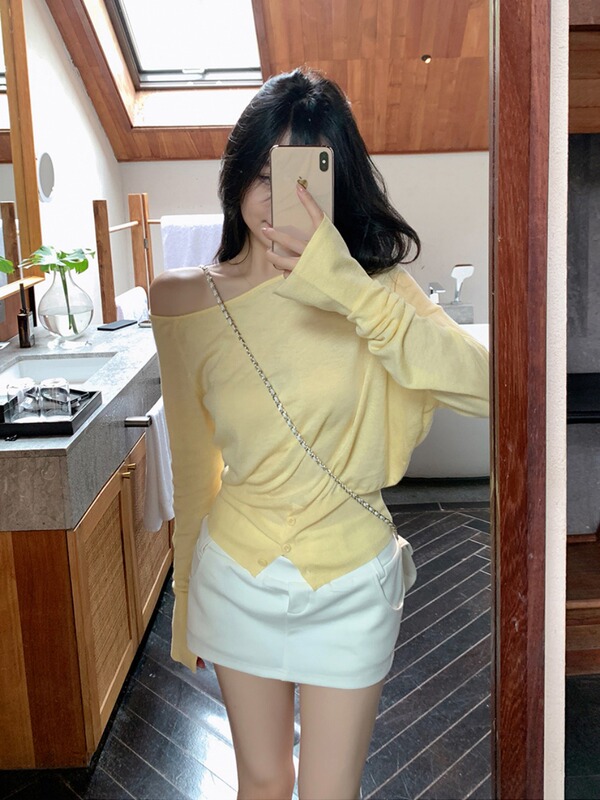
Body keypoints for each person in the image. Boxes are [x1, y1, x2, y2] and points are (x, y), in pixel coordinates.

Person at [150, 67, 489, 800]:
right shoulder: (181, 299)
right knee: (262, 781)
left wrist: (345, 289)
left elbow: (493, 387)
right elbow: (194, 464)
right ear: (237, 175)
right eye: (264, 173)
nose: (279, 197)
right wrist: (185, 608)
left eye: (303, 174)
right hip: (235, 574)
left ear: (337, 182)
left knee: (331, 791)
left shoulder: (376, 290)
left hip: (351, 580)